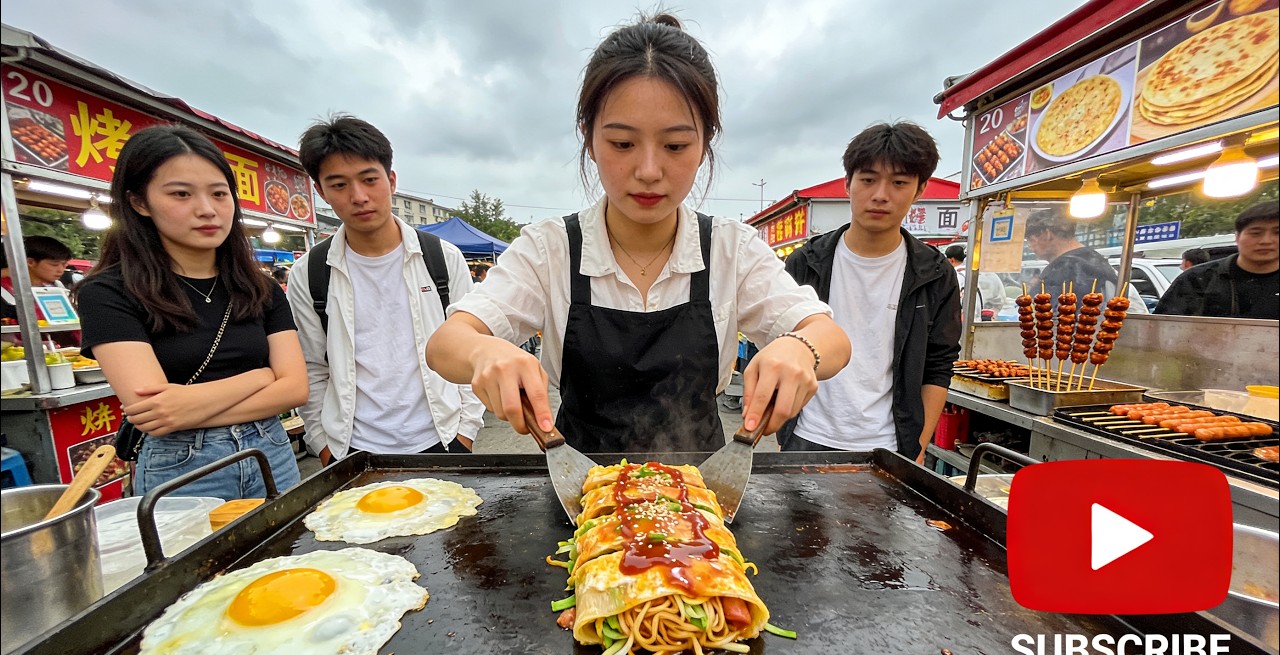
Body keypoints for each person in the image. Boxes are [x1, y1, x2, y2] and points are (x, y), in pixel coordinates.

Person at [426, 13, 849, 452]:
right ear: (589, 140)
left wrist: (801, 348)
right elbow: (444, 344)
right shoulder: (549, 248)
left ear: (705, 144)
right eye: (623, 144)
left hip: (702, 497)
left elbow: (830, 338)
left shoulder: (731, 248)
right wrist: (484, 353)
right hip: (580, 493)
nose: (648, 171)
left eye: (675, 146)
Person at [74, 125, 307, 500]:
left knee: (286, 559)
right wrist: (262, 376)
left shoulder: (260, 289)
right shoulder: (108, 292)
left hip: (271, 453)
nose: (207, 209)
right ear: (139, 202)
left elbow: (295, 388)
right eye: (181, 194)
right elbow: (157, 413)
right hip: (181, 465)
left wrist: (189, 404)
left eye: (219, 193)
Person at [288, 115, 483, 464]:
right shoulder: (310, 272)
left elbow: (472, 349)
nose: (359, 196)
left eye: (369, 179)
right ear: (320, 191)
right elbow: (312, 367)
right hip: (353, 449)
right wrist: (324, 446)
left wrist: (464, 433)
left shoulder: (441, 258)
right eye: (339, 185)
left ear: (391, 180)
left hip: (441, 438)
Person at [780, 122, 961, 462]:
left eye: (899, 182)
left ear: (919, 189)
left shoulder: (935, 273)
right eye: (868, 179)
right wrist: (783, 428)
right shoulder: (807, 262)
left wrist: (918, 446)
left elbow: (939, 364)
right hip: (807, 435)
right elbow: (781, 346)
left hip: (888, 444)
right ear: (848, 183)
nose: (881, 194)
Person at [1155, 202, 1278, 319]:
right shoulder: (1197, 279)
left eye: (1277, 232)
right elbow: (1164, 329)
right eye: (1256, 233)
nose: (1266, 241)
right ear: (1237, 237)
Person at [1, 234, 82, 346]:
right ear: (30, 262)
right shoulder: (5, 292)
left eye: (64, 265)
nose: (60, 270)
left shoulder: (58, 289)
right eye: (54, 264)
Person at [944, 243, 1006, 318]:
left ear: (951, 260)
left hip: (962, 323)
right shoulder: (991, 275)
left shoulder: (954, 276)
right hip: (986, 321)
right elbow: (1000, 301)